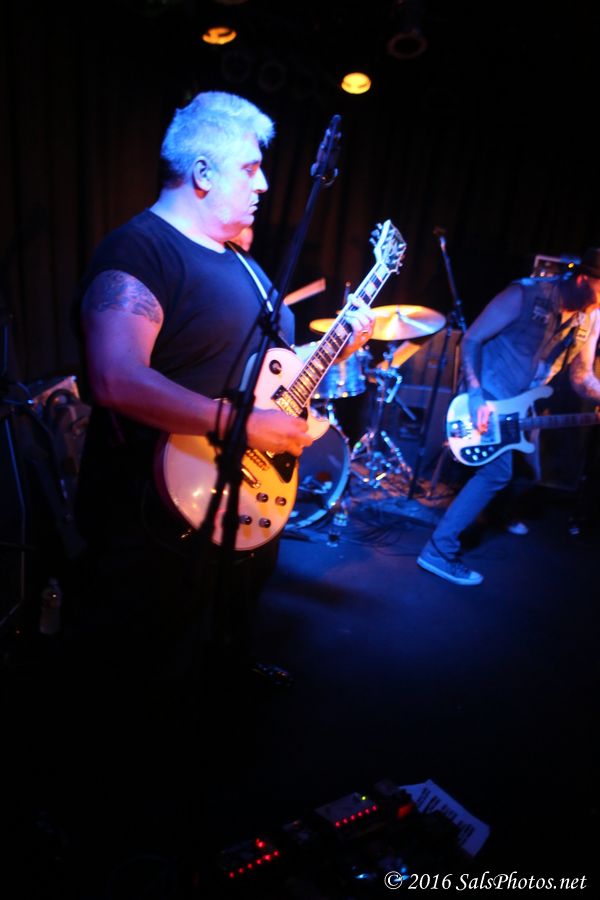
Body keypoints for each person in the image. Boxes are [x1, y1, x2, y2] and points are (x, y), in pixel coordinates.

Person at [72, 91, 375, 689]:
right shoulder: (140, 249)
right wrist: (242, 425)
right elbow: (115, 377)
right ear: (203, 173)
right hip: (154, 516)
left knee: (223, 643)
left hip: (239, 497)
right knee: (143, 671)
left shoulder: (244, 265)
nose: (264, 185)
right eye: (250, 168)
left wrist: (332, 348)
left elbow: (263, 371)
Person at [417, 247, 600, 586]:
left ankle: (496, 514)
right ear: (583, 279)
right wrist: (475, 394)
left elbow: (581, 377)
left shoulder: (590, 318)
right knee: (497, 473)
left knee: (528, 467)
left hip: (524, 400)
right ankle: (438, 550)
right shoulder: (525, 293)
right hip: (487, 393)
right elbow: (472, 339)